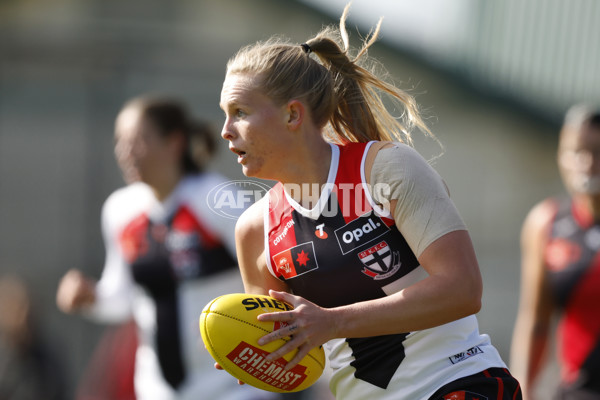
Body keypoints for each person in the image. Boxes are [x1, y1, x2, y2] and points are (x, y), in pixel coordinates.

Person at [217, 4, 521, 400]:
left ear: (293, 115)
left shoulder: (386, 169)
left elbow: (463, 289)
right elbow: (292, 346)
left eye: (240, 112)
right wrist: (256, 352)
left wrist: (331, 322)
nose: (225, 131)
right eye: (225, 114)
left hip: (456, 383)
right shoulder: (255, 230)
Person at [56, 96, 276, 400]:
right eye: (120, 141)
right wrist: (91, 297)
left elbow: (277, 274)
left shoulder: (218, 199)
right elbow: (122, 301)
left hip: (237, 387)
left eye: (138, 140)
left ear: (174, 143)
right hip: (158, 390)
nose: (125, 152)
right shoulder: (120, 210)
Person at [511, 104, 600, 400]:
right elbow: (535, 321)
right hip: (576, 391)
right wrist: (522, 391)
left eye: (597, 152)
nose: (586, 163)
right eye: (575, 151)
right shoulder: (546, 223)